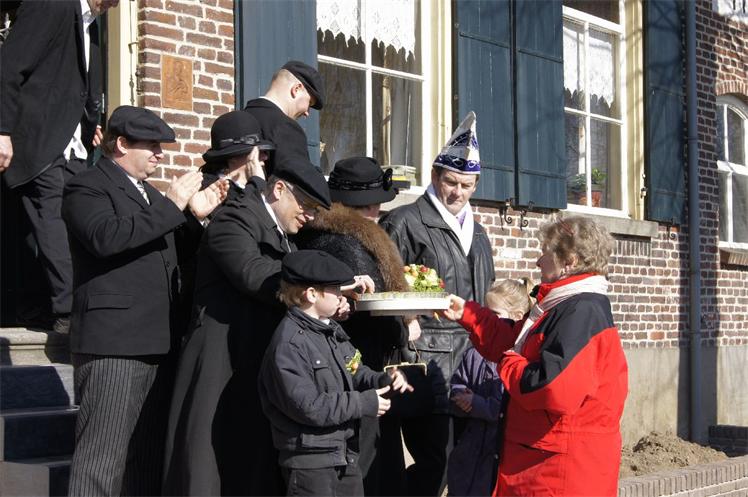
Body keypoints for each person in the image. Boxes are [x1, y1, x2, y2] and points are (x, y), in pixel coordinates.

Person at [164, 149, 363, 496]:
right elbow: (253, 274)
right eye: (306, 206)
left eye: (315, 211)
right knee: (210, 467)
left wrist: (327, 302)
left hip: (253, 362)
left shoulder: (283, 233)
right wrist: (321, 286)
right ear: (279, 189)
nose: (309, 216)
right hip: (221, 361)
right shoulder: (233, 219)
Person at [61, 105, 226, 496]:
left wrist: (194, 217)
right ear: (121, 144)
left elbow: (168, 249)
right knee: (101, 462)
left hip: (157, 341)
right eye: (152, 145)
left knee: (146, 459)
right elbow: (107, 238)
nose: (159, 155)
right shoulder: (86, 186)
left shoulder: (149, 194)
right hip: (114, 344)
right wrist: (172, 205)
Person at [441, 216, 629, 497]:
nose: (538, 262)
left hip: (558, 472)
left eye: (545, 252)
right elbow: (514, 339)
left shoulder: (581, 311)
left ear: (569, 261)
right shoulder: (564, 305)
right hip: (544, 465)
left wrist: (509, 360)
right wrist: (467, 314)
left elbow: (552, 388)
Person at [379, 111, 495, 496]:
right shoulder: (404, 222)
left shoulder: (479, 234)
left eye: (466, 185)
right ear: (434, 176)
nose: (457, 192)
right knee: (435, 464)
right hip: (426, 364)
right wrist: (405, 322)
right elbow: (383, 288)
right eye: (450, 182)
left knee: (466, 464)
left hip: (473, 369)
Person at [294, 156, 420, 495]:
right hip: (359, 365)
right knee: (367, 467)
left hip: (336, 364)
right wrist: (404, 328)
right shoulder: (352, 244)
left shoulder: (315, 233)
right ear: (368, 206)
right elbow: (375, 311)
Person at [0, 0, 119, 332]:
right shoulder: (52, 5)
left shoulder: (89, 25)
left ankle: (44, 308)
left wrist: (87, 125)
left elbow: (71, 85)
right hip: (41, 141)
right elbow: (9, 67)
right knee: (53, 219)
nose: (116, 3)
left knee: (68, 222)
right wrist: (2, 130)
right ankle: (69, 312)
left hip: (72, 146)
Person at [258, 249, 413, 497]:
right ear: (311, 294)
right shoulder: (289, 344)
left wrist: (383, 380)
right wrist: (363, 403)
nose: (341, 295)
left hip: (343, 454)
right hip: (310, 464)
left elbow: (355, 369)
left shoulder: (330, 331)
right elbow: (309, 407)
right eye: (335, 289)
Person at [447, 278, 534, 497]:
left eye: (494, 314)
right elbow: (458, 382)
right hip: (469, 449)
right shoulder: (473, 353)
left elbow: (505, 408)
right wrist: (459, 396)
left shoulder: (518, 361)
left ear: (517, 317)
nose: (488, 319)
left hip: (496, 453)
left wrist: (475, 402)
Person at [244, 60, 324, 169]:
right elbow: (299, 178)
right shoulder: (286, 128)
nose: (307, 113)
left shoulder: (235, 121)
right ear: (296, 89)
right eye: (309, 103)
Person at [199, 110, 276, 205]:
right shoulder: (211, 193)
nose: (265, 157)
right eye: (258, 152)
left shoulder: (261, 190)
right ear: (233, 158)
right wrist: (257, 185)